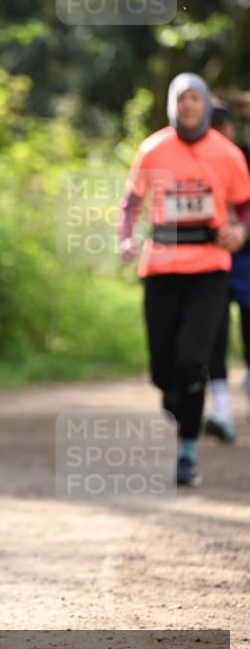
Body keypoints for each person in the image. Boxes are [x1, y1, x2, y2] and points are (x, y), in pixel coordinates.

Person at [118, 73, 250, 487]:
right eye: (182, 98)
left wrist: (241, 231)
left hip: (209, 266)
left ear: (206, 104)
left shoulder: (227, 153)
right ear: (173, 105)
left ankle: (188, 455)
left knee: (193, 360)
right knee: (163, 370)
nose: (189, 105)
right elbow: (132, 201)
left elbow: (245, 207)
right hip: (160, 265)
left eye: (195, 98)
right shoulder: (153, 148)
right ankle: (177, 398)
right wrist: (126, 237)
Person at [204, 106, 250, 441]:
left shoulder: (245, 158)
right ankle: (220, 408)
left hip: (248, 260)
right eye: (213, 127)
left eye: (223, 126)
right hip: (211, 261)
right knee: (214, 332)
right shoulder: (196, 160)